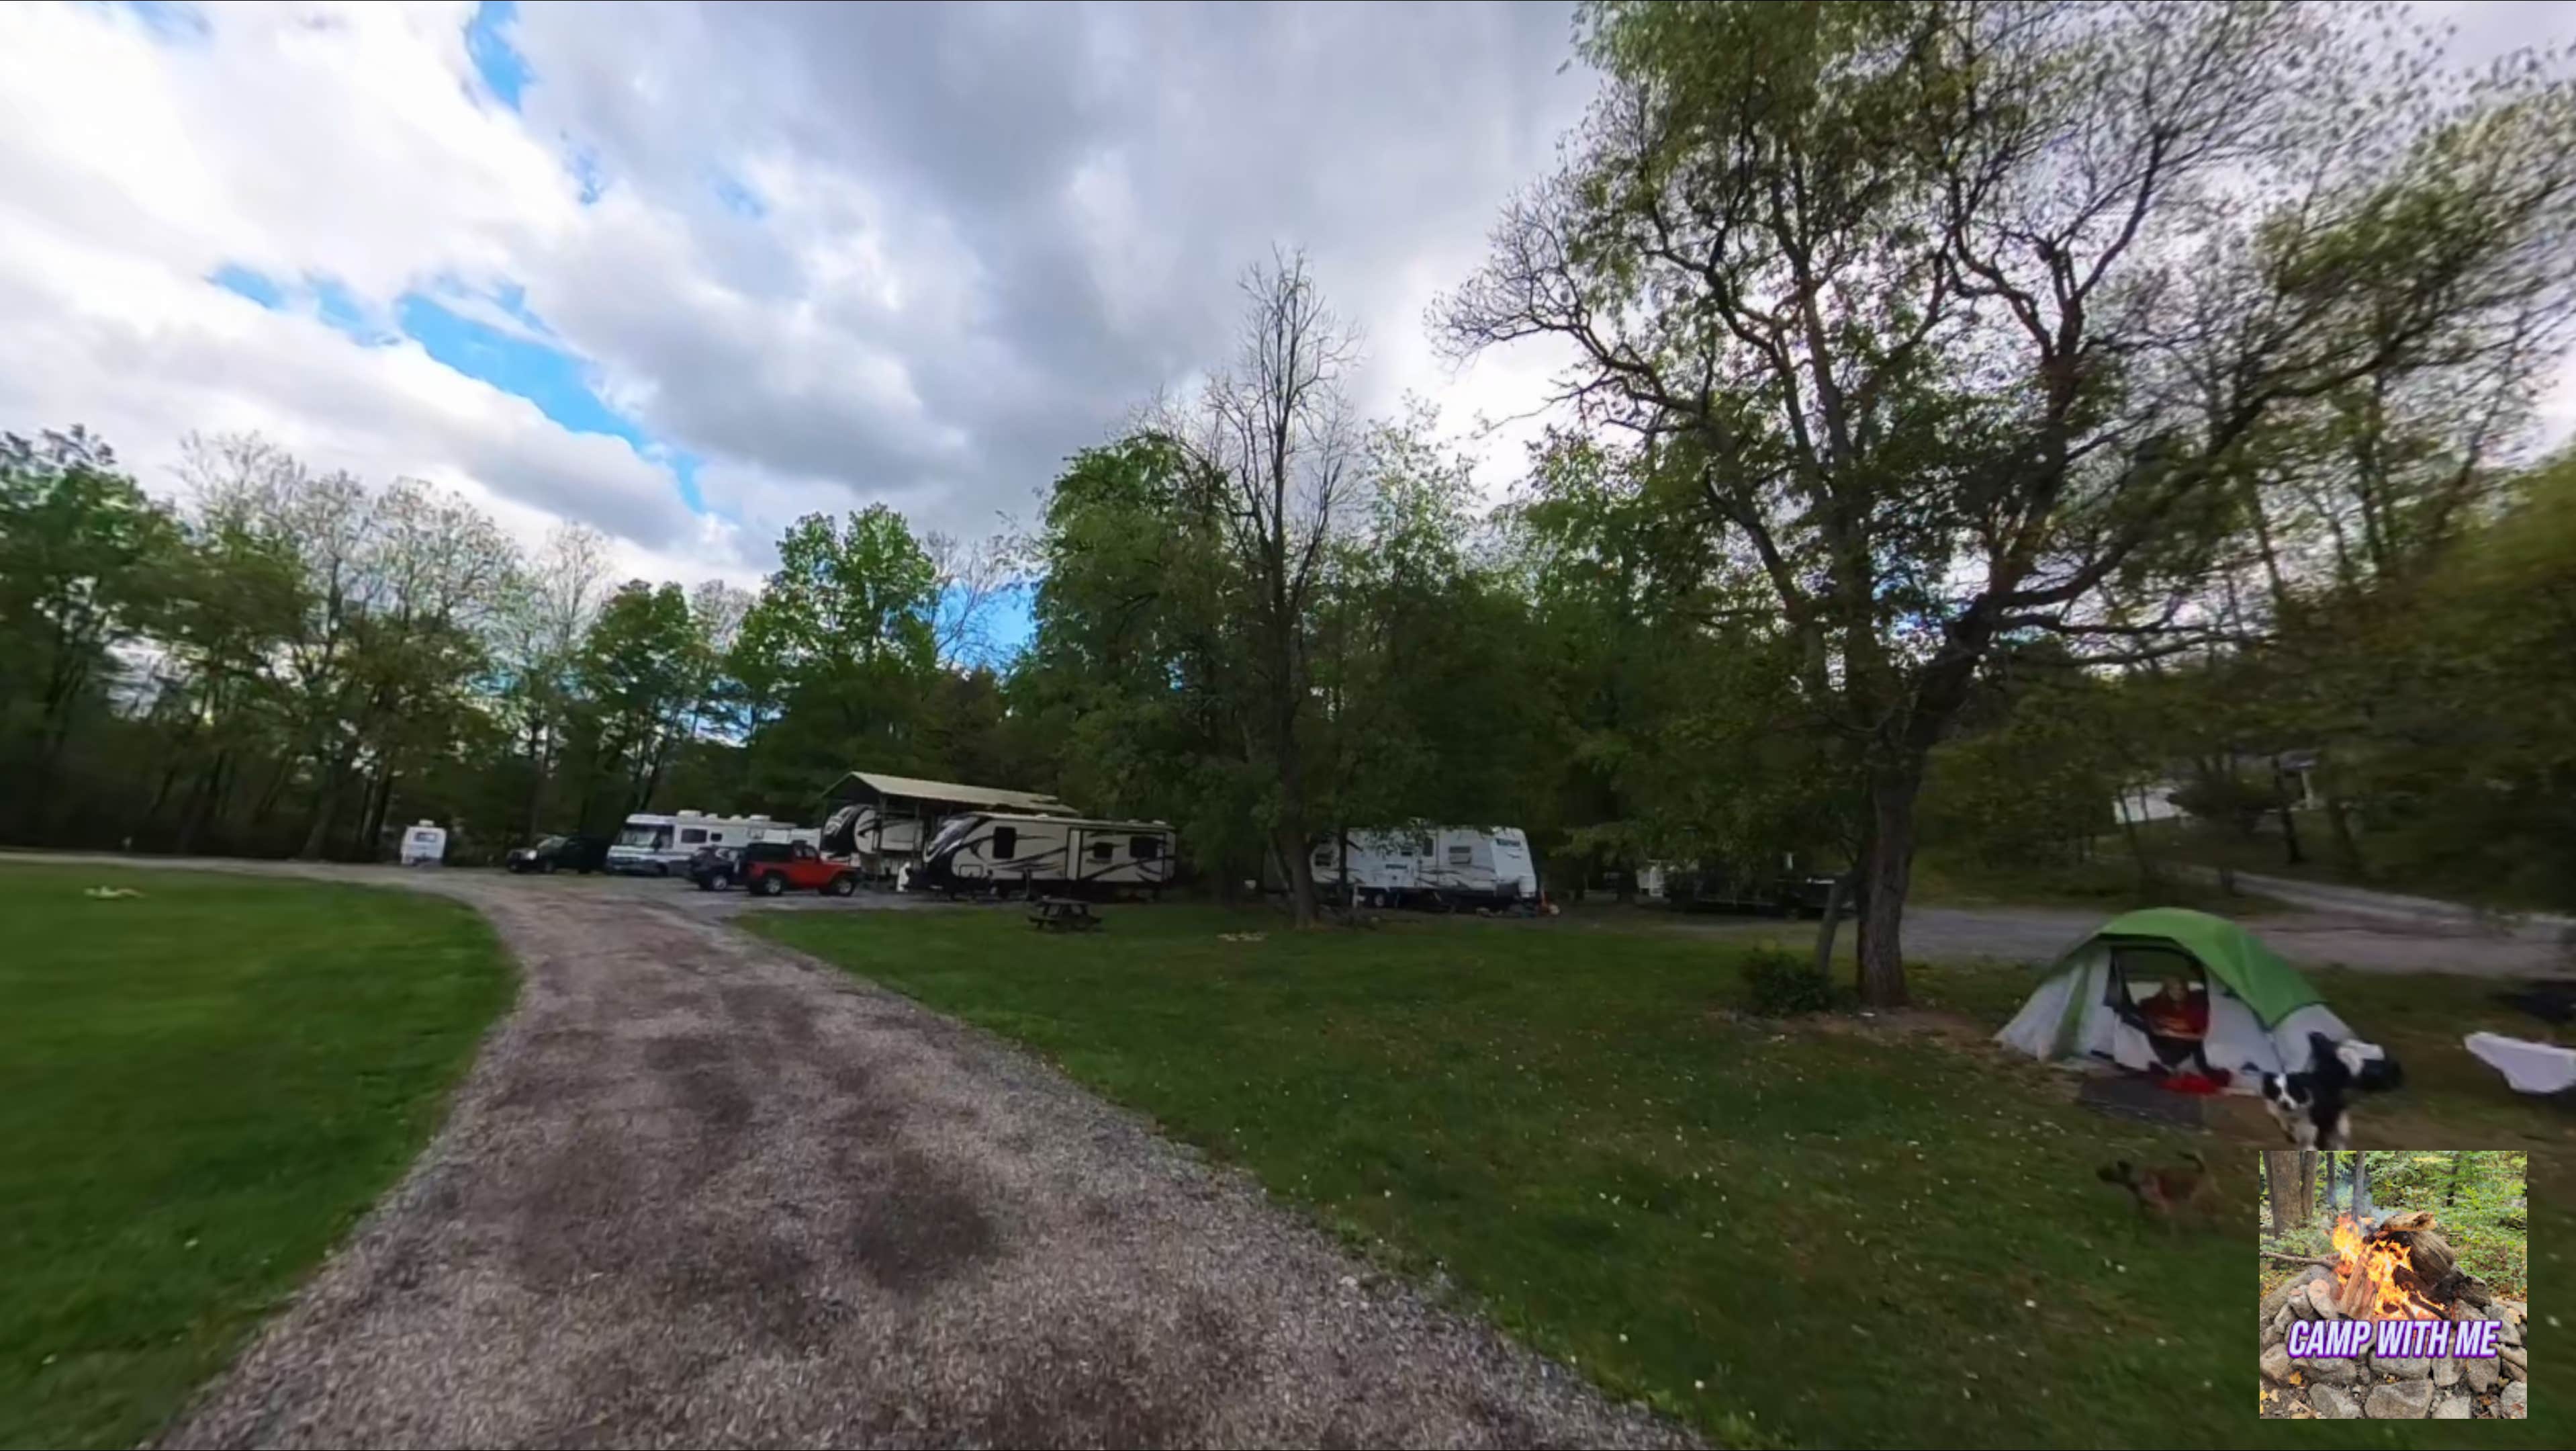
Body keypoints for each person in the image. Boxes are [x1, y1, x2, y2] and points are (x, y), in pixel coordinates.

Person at [2132, 973, 2215, 1077]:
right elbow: (2142, 1006)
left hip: (2186, 1048)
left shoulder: (2195, 1007)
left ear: (2186, 990)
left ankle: (2204, 1072)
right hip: (2163, 1046)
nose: (2178, 993)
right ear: (2166, 991)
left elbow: (2202, 1036)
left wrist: (2172, 1033)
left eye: (2182, 989)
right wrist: (2152, 1024)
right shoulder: (2159, 1004)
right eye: (2173, 990)